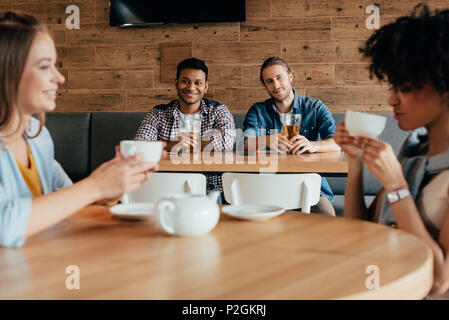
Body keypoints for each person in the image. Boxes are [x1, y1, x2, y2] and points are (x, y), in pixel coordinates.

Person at [0, 11, 161, 247]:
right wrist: (95, 186)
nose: (59, 78)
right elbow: (5, 226)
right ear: (8, 74)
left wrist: (108, 190)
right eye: (45, 67)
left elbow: (70, 199)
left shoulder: (38, 137)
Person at [334, 4, 449, 296]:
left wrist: (397, 186)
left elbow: (438, 281)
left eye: (405, 86)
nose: (391, 100)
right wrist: (355, 163)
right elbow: (360, 234)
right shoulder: (413, 155)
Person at [243, 57, 341, 216]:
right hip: (268, 184)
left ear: (290, 76)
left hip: (307, 184)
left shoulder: (315, 107)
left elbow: (337, 142)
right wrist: (268, 140)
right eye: (269, 81)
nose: (275, 85)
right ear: (265, 85)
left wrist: (313, 145)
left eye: (279, 77)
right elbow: (245, 144)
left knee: (327, 217)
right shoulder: (258, 111)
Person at [135, 57, 235, 200]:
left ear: (205, 87)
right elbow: (140, 145)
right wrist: (174, 144)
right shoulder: (158, 113)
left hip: (208, 187)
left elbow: (227, 143)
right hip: (165, 185)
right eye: (185, 81)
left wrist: (187, 145)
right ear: (176, 83)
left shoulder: (218, 111)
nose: (191, 87)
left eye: (198, 83)